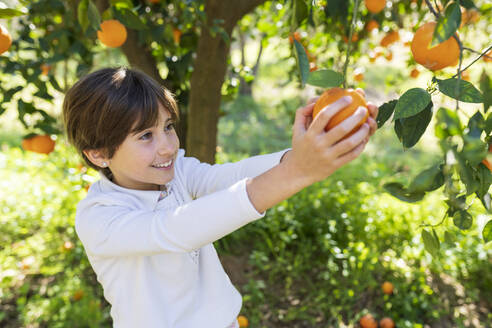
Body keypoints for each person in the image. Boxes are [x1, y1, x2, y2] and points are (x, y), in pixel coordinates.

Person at [62, 67, 378, 328]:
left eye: (168, 127)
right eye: (146, 136)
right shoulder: (100, 217)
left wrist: (311, 151)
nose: (168, 147)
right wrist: (299, 170)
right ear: (99, 154)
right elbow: (176, 230)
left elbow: (232, 177)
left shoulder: (178, 173)